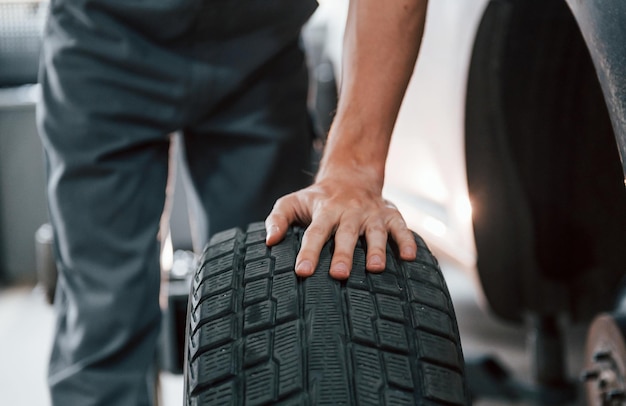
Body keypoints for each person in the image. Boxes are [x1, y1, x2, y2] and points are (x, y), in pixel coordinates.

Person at [38, 0, 428, 404]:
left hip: (258, 47)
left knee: (268, 318)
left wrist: (353, 168)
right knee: (103, 319)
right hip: (104, 37)